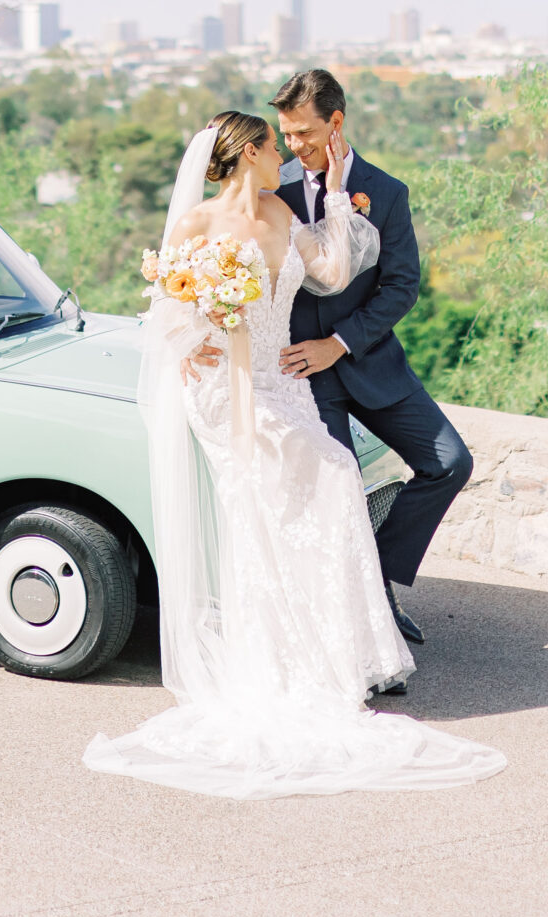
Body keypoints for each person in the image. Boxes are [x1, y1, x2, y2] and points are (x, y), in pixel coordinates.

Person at [82, 110, 505, 799]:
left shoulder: (281, 212)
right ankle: (277, 660)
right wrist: (199, 336)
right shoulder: (195, 225)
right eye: (273, 144)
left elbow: (334, 273)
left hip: (284, 383)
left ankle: (321, 654)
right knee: (288, 498)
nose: (282, 154)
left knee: (327, 483)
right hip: (225, 391)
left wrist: (336, 193)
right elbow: (166, 315)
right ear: (247, 152)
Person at [271, 67, 473, 650]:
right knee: (341, 497)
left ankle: (376, 576)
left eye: (305, 133)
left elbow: (401, 285)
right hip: (303, 377)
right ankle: (360, 624)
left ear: (336, 122)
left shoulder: (385, 192)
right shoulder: (271, 190)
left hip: (372, 361)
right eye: (287, 135)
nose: (295, 146)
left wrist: (340, 342)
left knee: (450, 463)